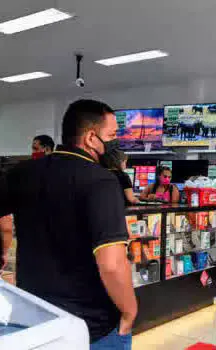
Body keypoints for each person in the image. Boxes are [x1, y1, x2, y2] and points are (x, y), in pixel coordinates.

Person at [0, 99, 137, 349]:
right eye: (113, 135)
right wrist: (130, 312)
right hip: (92, 327)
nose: (117, 142)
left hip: (35, 318)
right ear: (91, 138)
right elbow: (112, 263)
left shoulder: (22, 173)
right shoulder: (102, 181)